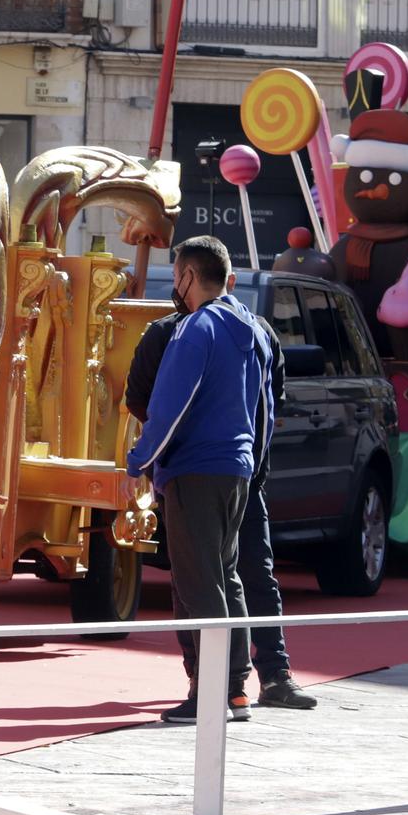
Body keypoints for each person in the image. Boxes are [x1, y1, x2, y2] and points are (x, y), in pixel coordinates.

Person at [126, 282, 317, 712]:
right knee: (210, 579)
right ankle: (217, 683)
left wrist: (143, 459)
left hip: (224, 473)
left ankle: (245, 681)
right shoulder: (171, 332)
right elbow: (146, 401)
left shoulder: (240, 332)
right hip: (214, 470)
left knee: (230, 578)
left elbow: (266, 403)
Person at [124, 235, 273, 725]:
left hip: (195, 470)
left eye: (177, 274)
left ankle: (211, 693)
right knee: (225, 577)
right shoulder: (250, 328)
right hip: (237, 468)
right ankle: (234, 690)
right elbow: (263, 408)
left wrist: (139, 460)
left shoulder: (196, 328)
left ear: (187, 275)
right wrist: (254, 460)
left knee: (197, 582)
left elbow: (170, 406)